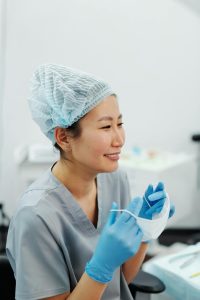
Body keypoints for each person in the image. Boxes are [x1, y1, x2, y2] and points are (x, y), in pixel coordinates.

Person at [6, 64, 174, 300]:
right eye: (106, 126)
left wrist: (145, 231)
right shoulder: (35, 216)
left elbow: (123, 280)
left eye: (120, 124)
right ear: (64, 137)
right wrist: (101, 267)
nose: (119, 139)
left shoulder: (115, 179)